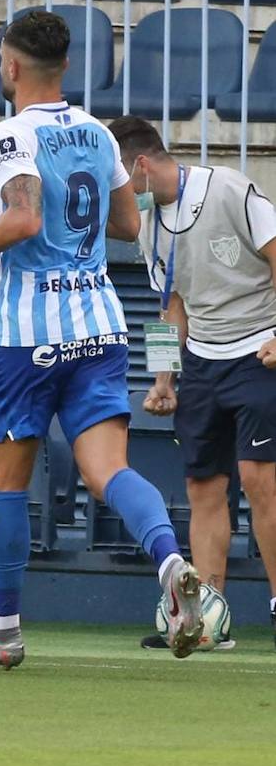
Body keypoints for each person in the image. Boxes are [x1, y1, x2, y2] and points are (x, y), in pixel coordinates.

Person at [0, 10, 205, 664]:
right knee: (109, 470)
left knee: (5, 482)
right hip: (99, 327)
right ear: (67, 66)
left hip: (30, 336)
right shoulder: (99, 134)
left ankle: (3, 628)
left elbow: (24, 220)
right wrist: (28, 216)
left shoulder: (9, 135)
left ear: (10, 65)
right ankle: (170, 564)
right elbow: (127, 226)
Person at [114, 116, 276, 649]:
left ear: (141, 165)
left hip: (260, 349)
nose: (119, 191)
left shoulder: (228, 189)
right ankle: (207, 620)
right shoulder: (149, 226)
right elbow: (171, 305)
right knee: (203, 487)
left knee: (260, 479)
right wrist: (164, 377)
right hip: (203, 362)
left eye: (119, 177)